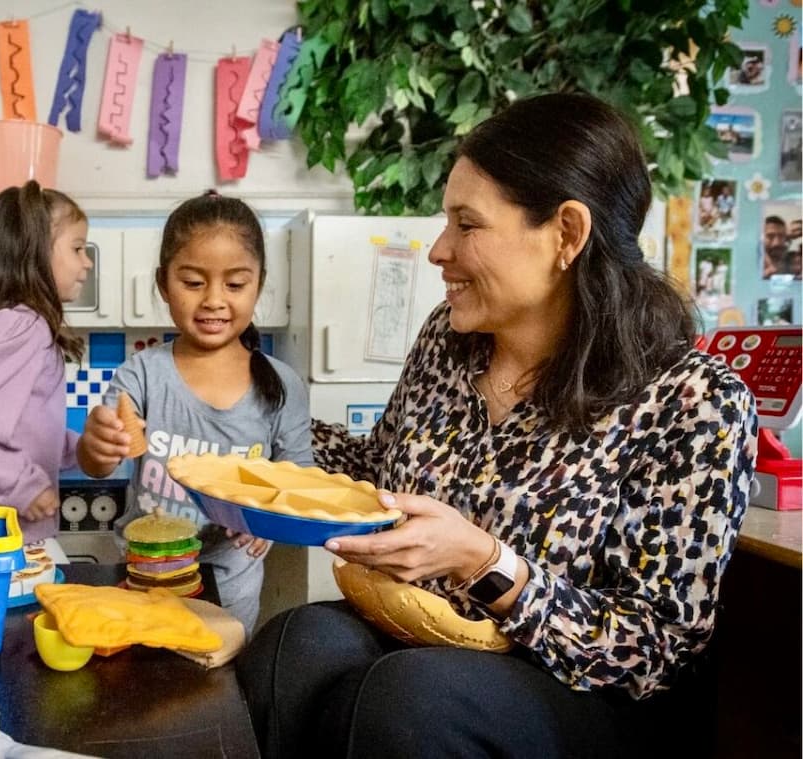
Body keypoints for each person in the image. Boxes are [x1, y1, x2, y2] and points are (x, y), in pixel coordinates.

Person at [237, 93, 757, 758]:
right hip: (430, 643)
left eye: (466, 224)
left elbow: (653, 648)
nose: (437, 250)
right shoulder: (448, 342)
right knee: (295, 646)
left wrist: (484, 563)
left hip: (581, 690)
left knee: (411, 699)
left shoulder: (695, 402)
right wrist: (252, 449)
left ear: (566, 233)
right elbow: (381, 471)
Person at [77, 191, 313, 634]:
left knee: (215, 693)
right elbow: (97, 464)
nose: (214, 300)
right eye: (193, 282)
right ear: (164, 283)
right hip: (143, 579)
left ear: (259, 284)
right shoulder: (143, 373)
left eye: (235, 284)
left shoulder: (282, 386)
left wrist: (269, 518)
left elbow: (300, 481)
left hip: (229, 589)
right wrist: (95, 443)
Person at [0, 180, 93, 552]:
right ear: (37, 253)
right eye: (77, 248)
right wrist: (22, 485)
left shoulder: (22, 325)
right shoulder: (24, 324)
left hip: (7, 532)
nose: (86, 262)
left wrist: (82, 447)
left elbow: (27, 429)